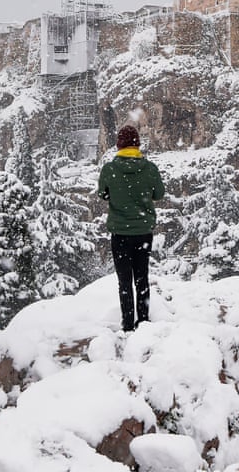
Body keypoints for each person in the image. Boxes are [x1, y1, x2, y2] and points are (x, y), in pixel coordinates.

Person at [97, 125, 165, 332]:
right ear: (137, 144)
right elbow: (159, 194)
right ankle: (143, 322)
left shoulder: (109, 169)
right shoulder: (150, 168)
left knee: (124, 282)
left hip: (120, 233)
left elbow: (102, 194)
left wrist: (118, 196)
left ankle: (127, 325)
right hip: (143, 232)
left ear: (119, 145)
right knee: (142, 278)